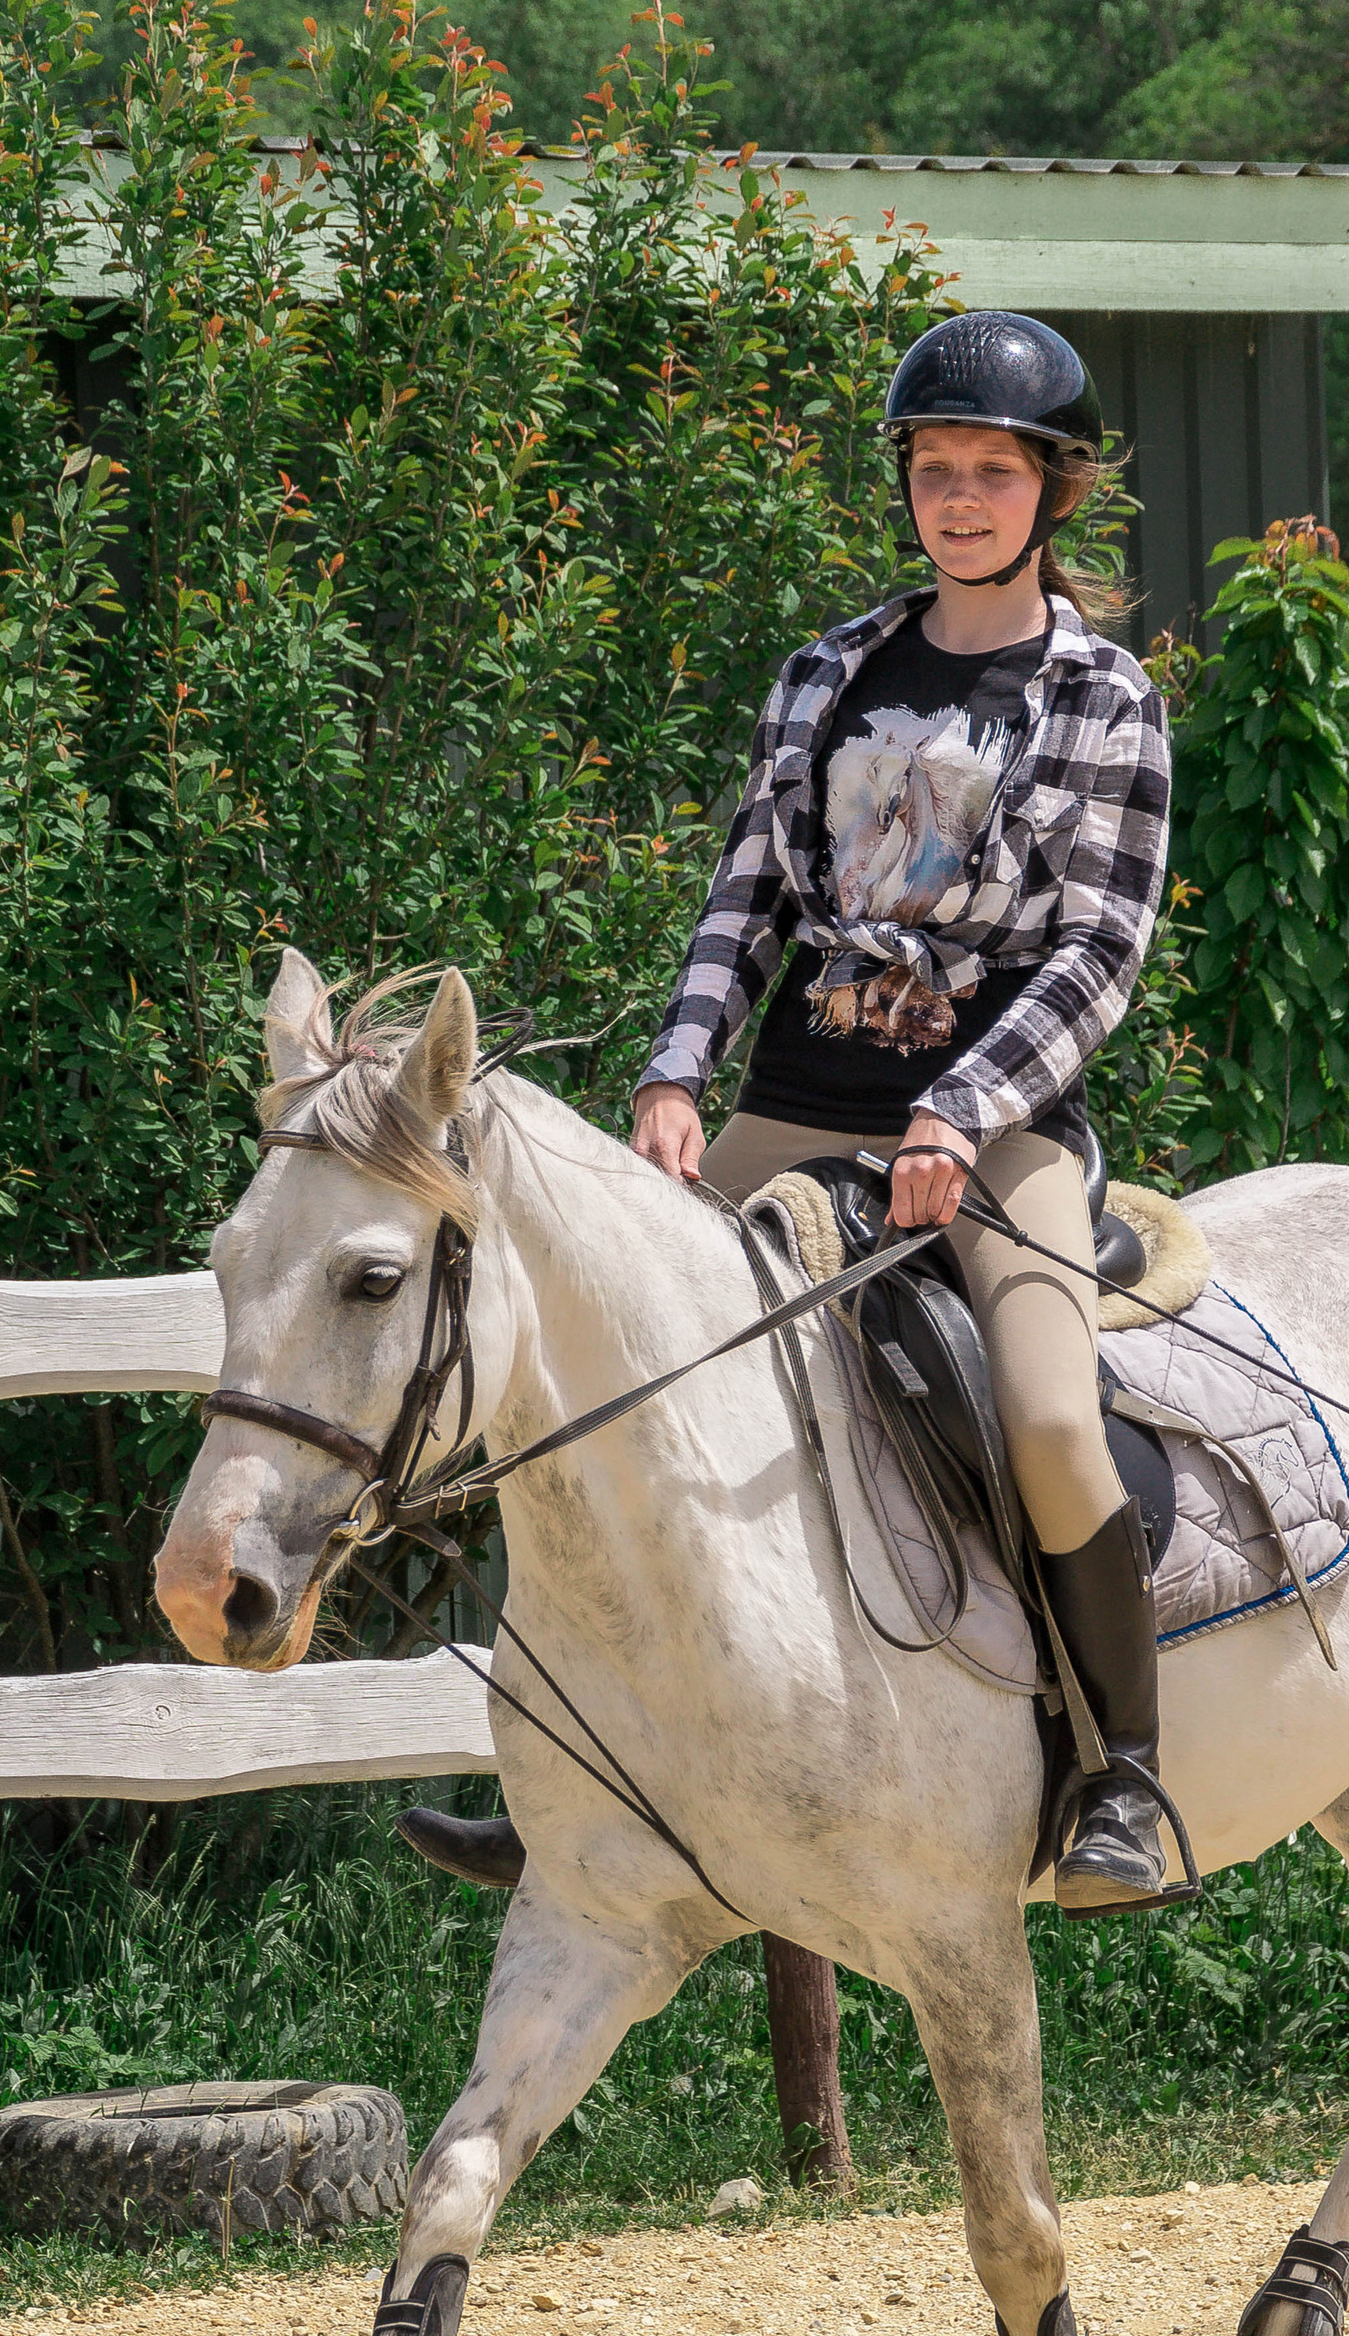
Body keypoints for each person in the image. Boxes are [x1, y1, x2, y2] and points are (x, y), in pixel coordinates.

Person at [401, 312, 1174, 1908]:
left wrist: (958, 1115)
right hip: (793, 1102)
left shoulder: (1106, 696)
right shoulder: (828, 672)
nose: (959, 498)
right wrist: (677, 1075)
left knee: (1041, 1411)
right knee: (576, 1362)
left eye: (992, 472)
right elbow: (744, 900)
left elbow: (1101, 952)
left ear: (1055, 492)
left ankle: (1123, 1776)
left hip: (999, 1132)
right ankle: (570, 1767)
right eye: (936, 468)